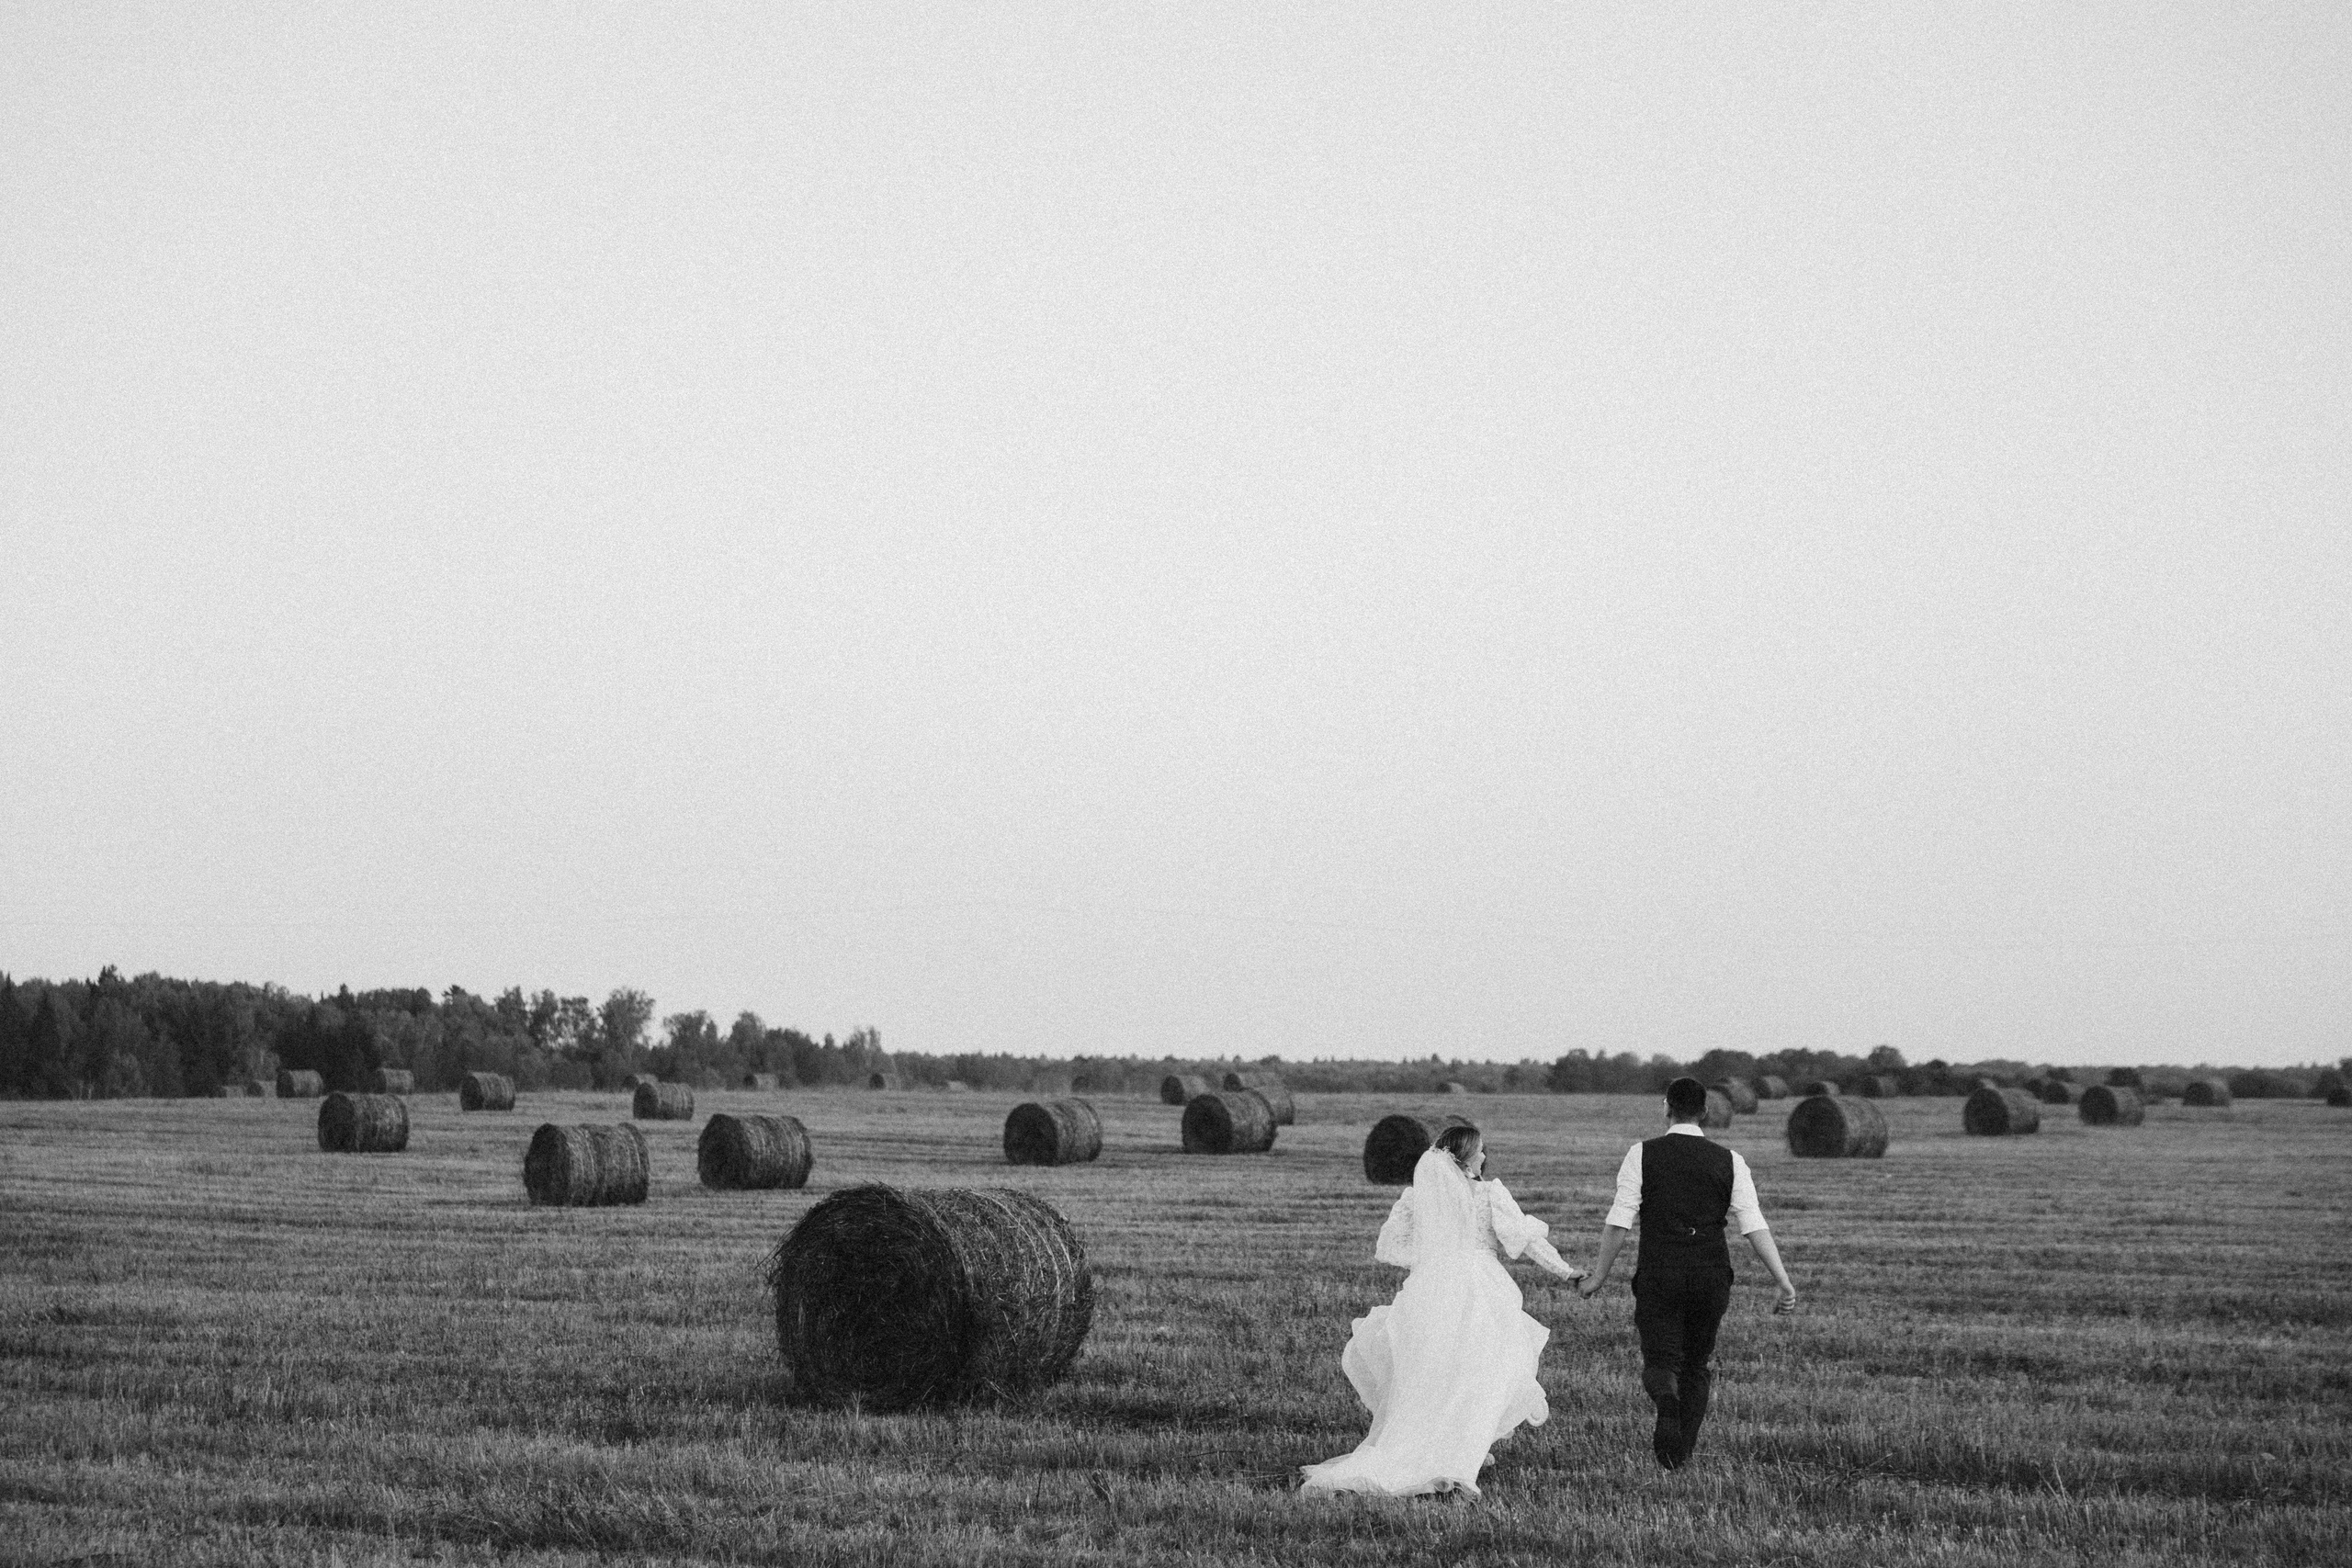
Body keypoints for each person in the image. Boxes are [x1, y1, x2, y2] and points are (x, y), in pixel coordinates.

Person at [1300, 1124, 1585, 1496]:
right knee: (1482, 1372)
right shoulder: (1488, 1194)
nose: (1485, 1156)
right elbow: (1527, 1242)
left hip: (1431, 1289)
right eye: (1480, 1150)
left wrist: (1433, 1262)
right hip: (1480, 1288)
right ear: (1465, 1159)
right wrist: (1568, 1272)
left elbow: (1387, 1247)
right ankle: (1458, 1451)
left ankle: (1443, 1446)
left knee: (1432, 1374)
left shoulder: (1416, 1198)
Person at [1577, 1077, 1798, 1470]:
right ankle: (1680, 1457)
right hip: (1710, 1272)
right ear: (1707, 1112)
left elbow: (1619, 1221)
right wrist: (1782, 1280)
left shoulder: (1641, 1154)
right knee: (1696, 1365)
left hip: (1661, 1268)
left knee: (1661, 1360)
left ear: (1666, 1108)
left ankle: (1666, 1401)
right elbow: (1754, 1225)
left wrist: (1597, 1277)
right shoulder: (1731, 1160)